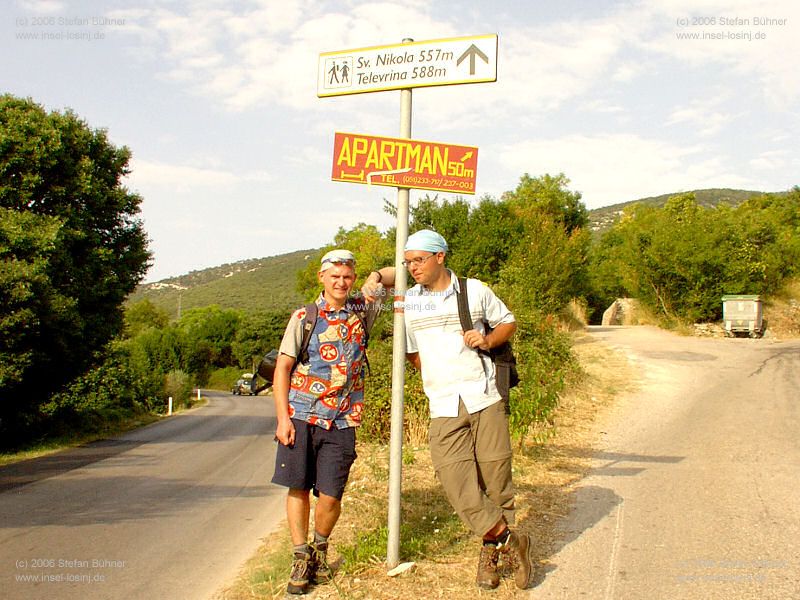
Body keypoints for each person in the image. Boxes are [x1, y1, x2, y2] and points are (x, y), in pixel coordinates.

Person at [367, 229, 532, 590]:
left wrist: (487, 340)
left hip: (484, 396)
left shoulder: (474, 290)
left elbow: (508, 321)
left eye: (419, 260)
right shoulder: (412, 302)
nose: (412, 268)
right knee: (453, 479)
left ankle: (491, 554)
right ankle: (511, 540)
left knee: (496, 479)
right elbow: (412, 352)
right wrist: (378, 276)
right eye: (408, 262)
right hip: (441, 402)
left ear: (440, 257)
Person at [272, 249, 392, 595]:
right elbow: (282, 367)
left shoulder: (361, 310)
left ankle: (320, 550)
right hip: (301, 414)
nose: (341, 282)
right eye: (334, 276)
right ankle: (300, 557)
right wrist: (283, 418)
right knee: (298, 487)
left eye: (347, 276)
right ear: (322, 278)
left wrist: (397, 268)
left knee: (332, 494)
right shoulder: (304, 316)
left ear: (353, 278)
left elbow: (388, 276)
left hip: (343, 420)